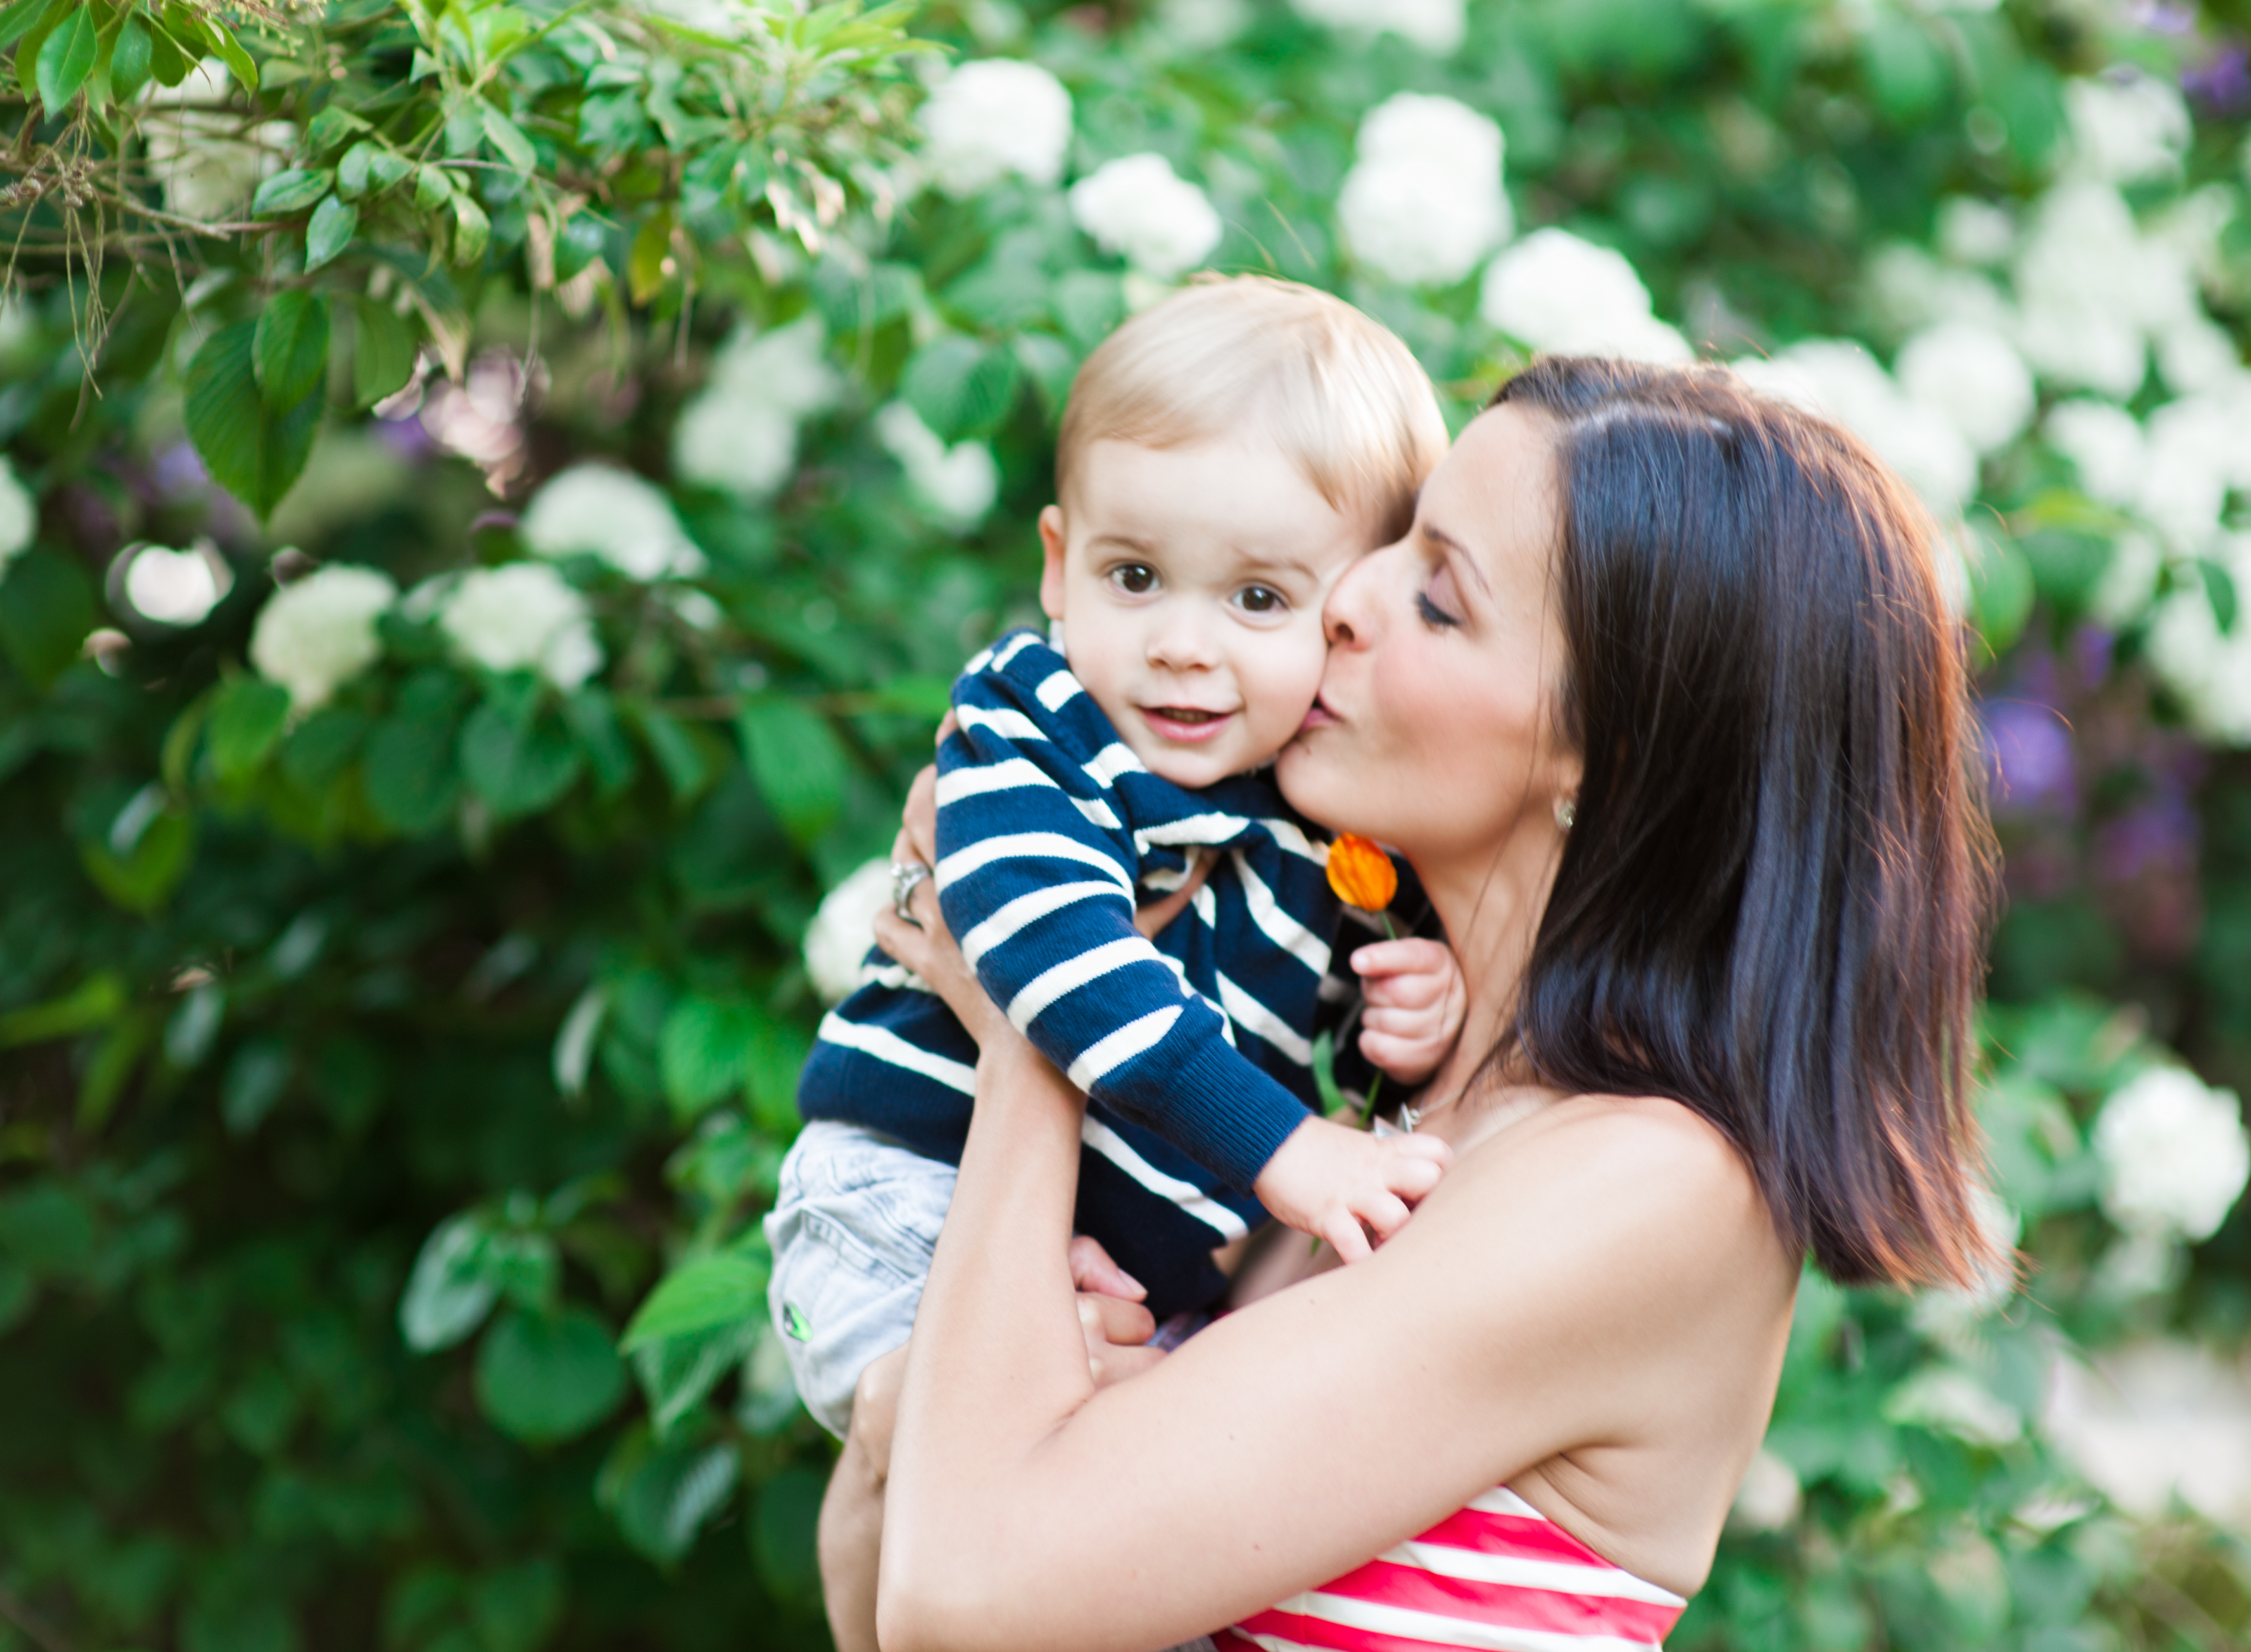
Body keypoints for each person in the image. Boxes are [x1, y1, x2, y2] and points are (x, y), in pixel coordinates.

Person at [834, 356, 1999, 1652]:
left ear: (1603, 757)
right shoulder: (1367, 1096)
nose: (1344, 601)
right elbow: (882, 1591)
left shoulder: (1650, 1185)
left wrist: (1029, 1017)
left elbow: (962, 1602)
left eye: (1437, 600)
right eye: (1389, 542)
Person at [769, 277, 1468, 1443]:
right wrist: (1286, 1150)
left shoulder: (1318, 819)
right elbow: (1054, 957)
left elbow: (1319, 1033)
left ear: (1346, 616)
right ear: (1058, 562)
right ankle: (912, 1422)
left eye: (1256, 597)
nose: (1180, 648)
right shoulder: (1034, 724)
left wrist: (1406, 1002)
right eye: (1133, 577)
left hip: (1124, 1276)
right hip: (912, 1203)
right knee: (952, 1443)